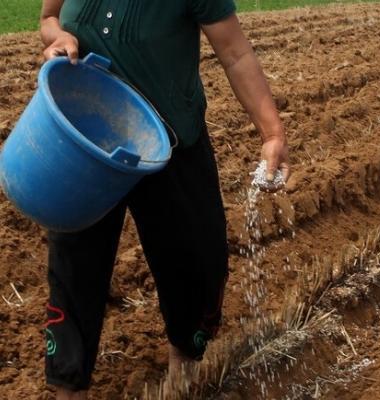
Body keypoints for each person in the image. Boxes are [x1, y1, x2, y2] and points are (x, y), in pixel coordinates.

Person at [39, 1, 290, 398]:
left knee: (195, 260)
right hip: (85, 140)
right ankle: (70, 387)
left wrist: (272, 133)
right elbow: (48, 18)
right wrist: (59, 37)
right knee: (75, 268)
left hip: (170, 141)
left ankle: (184, 365)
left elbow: (235, 53)